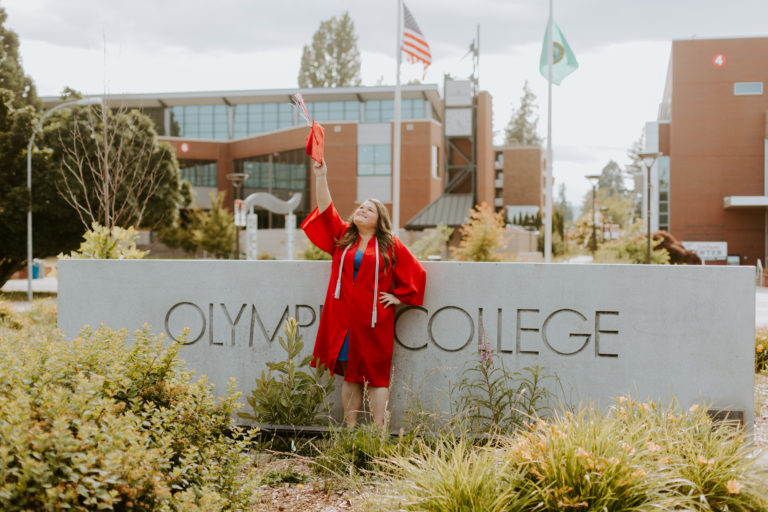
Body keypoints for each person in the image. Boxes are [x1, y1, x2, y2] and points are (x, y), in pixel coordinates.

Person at [300, 158, 426, 428]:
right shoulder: (344, 237)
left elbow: (417, 273)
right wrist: (321, 174)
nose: (362, 210)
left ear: (380, 219)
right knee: (351, 375)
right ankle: (350, 430)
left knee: (376, 375)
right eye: (360, 208)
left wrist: (400, 297)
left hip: (373, 319)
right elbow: (326, 209)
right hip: (343, 317)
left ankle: (379, 431)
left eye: (370, 209)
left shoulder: (390, 245)